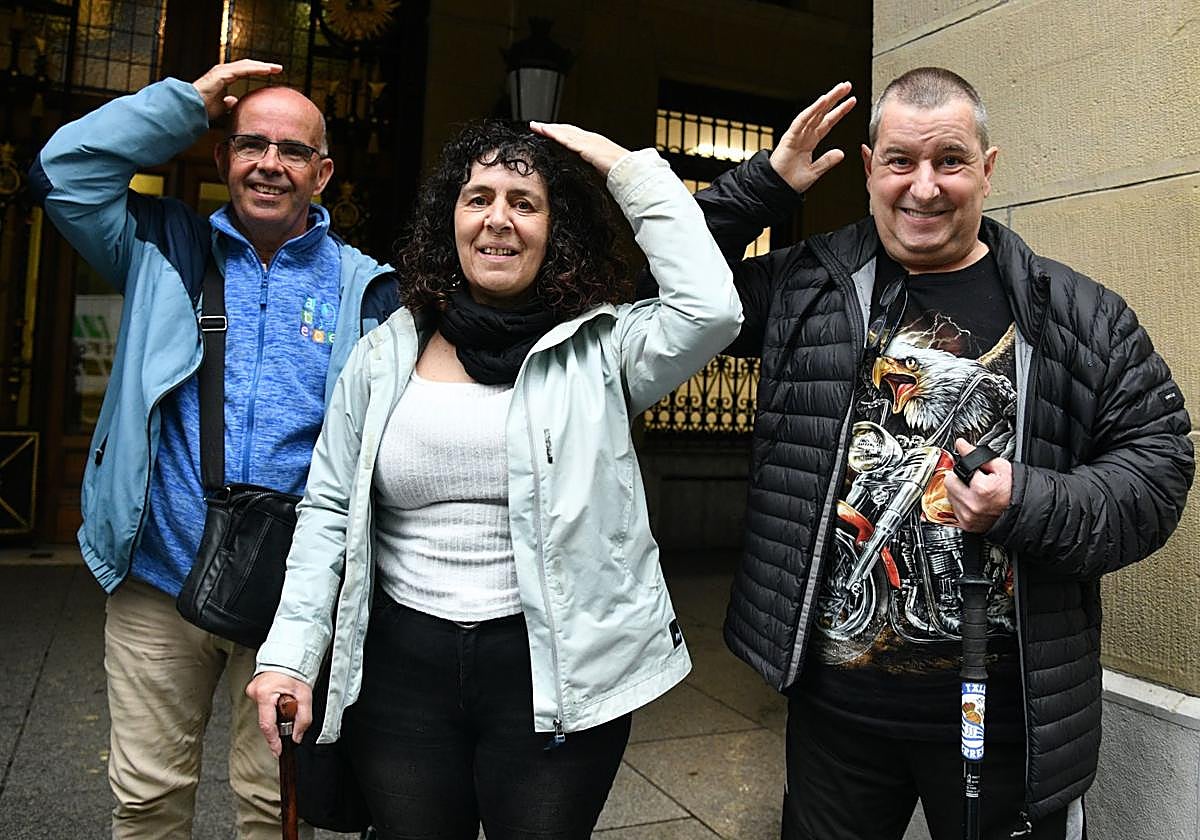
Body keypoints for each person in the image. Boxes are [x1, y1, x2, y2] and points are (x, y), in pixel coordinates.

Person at [697, 68, 1193, 840]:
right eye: (900, 161)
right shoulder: (805, 287)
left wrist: (1025, 501)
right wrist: (763, 187)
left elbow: (1159, 468)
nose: (923, 188)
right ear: (868, 168)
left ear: (987, 170)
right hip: (836, 718)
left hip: (1007, 717)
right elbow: (656, 288)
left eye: (950, 161)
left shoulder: (1078, 314)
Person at [245, 118, 742, 839]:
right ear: (450, 219)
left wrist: (623, 168)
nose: (498, 220)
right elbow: (326, 509)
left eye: (525, 201)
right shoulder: (385, 354)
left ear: (554, 228)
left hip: (555, 676)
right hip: (401, 676)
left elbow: (711, 308)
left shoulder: (604, 351)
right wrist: (290, 654)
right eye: (478, 198)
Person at [30, 59, 395, 838]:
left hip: (291, 601)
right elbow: (62, 173)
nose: (269, 164)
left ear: (322, 172)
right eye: (249, 144)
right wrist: (185, 106)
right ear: (223, 156)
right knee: (149, 797)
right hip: (159, 582)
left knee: (273, 806)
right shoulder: (161, 245)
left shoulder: (369, 290)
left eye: (292, 152)